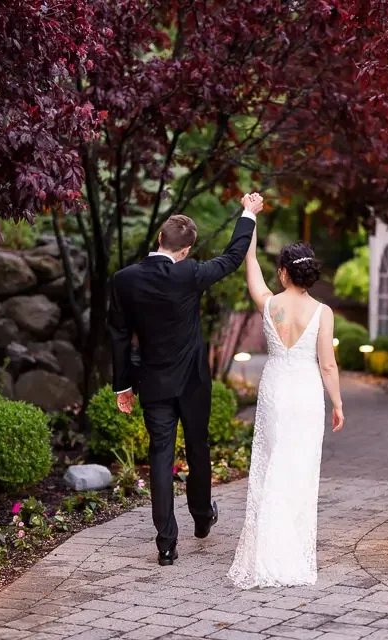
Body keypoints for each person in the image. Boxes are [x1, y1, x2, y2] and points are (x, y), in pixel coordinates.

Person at [108, 193, 265, 566]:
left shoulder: (124, 280)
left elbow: (118, 334)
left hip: (154, 383)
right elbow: (231, 257)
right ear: (186, 248)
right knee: (198, 448)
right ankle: (201, 518)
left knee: (160, 457)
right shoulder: (189, 273)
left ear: (160, 239)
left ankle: (166, 544)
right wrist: (248, 213)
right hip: (193, 383)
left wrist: (123, 384)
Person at [228, 231, 344, 589]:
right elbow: (327, 365)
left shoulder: (269, 304)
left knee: (271, 463)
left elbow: (250, 266)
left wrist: (251, 224)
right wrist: (337, 403)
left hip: (276, 389)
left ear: (282, 273)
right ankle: (288, 549)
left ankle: (267, 547)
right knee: (300, 468)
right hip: (306, 392)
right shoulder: (322, 312)